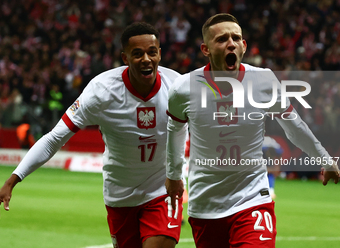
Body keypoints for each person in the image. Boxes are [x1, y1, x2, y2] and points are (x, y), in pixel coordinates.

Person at [0, 22, 183, 248]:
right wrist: (14, 178)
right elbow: (54, 138)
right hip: (120, 196)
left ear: (160, 54)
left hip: (161, 192)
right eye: (137, 54)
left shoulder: (177, 87)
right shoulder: (102, 91)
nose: (146, 59)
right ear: (125, 58)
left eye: (152, 52)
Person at [165, 13, 340, 248]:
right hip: (205, 205)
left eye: (236, 38)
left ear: (244, 46)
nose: (231, 43)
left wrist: (324, 159)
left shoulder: (264, 80)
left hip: (252, 198)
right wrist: (174, 176)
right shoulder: (183, 88)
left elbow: (294, 126)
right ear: (205, 49)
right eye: (222, 39)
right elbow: (175, 129)